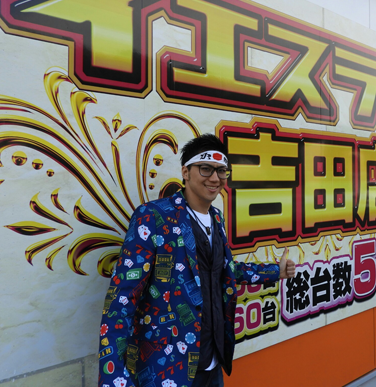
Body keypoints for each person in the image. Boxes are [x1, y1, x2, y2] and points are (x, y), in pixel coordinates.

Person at [98, 134, 295, 387]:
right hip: (168, 368)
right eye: (205, 169)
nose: (215, 178)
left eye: (221, 171)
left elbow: (225, 271)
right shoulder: (153, 216)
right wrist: (114, 376)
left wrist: (275, 271)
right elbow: (122, 298)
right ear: (186, 172)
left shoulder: (216, 218)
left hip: (213, 360)